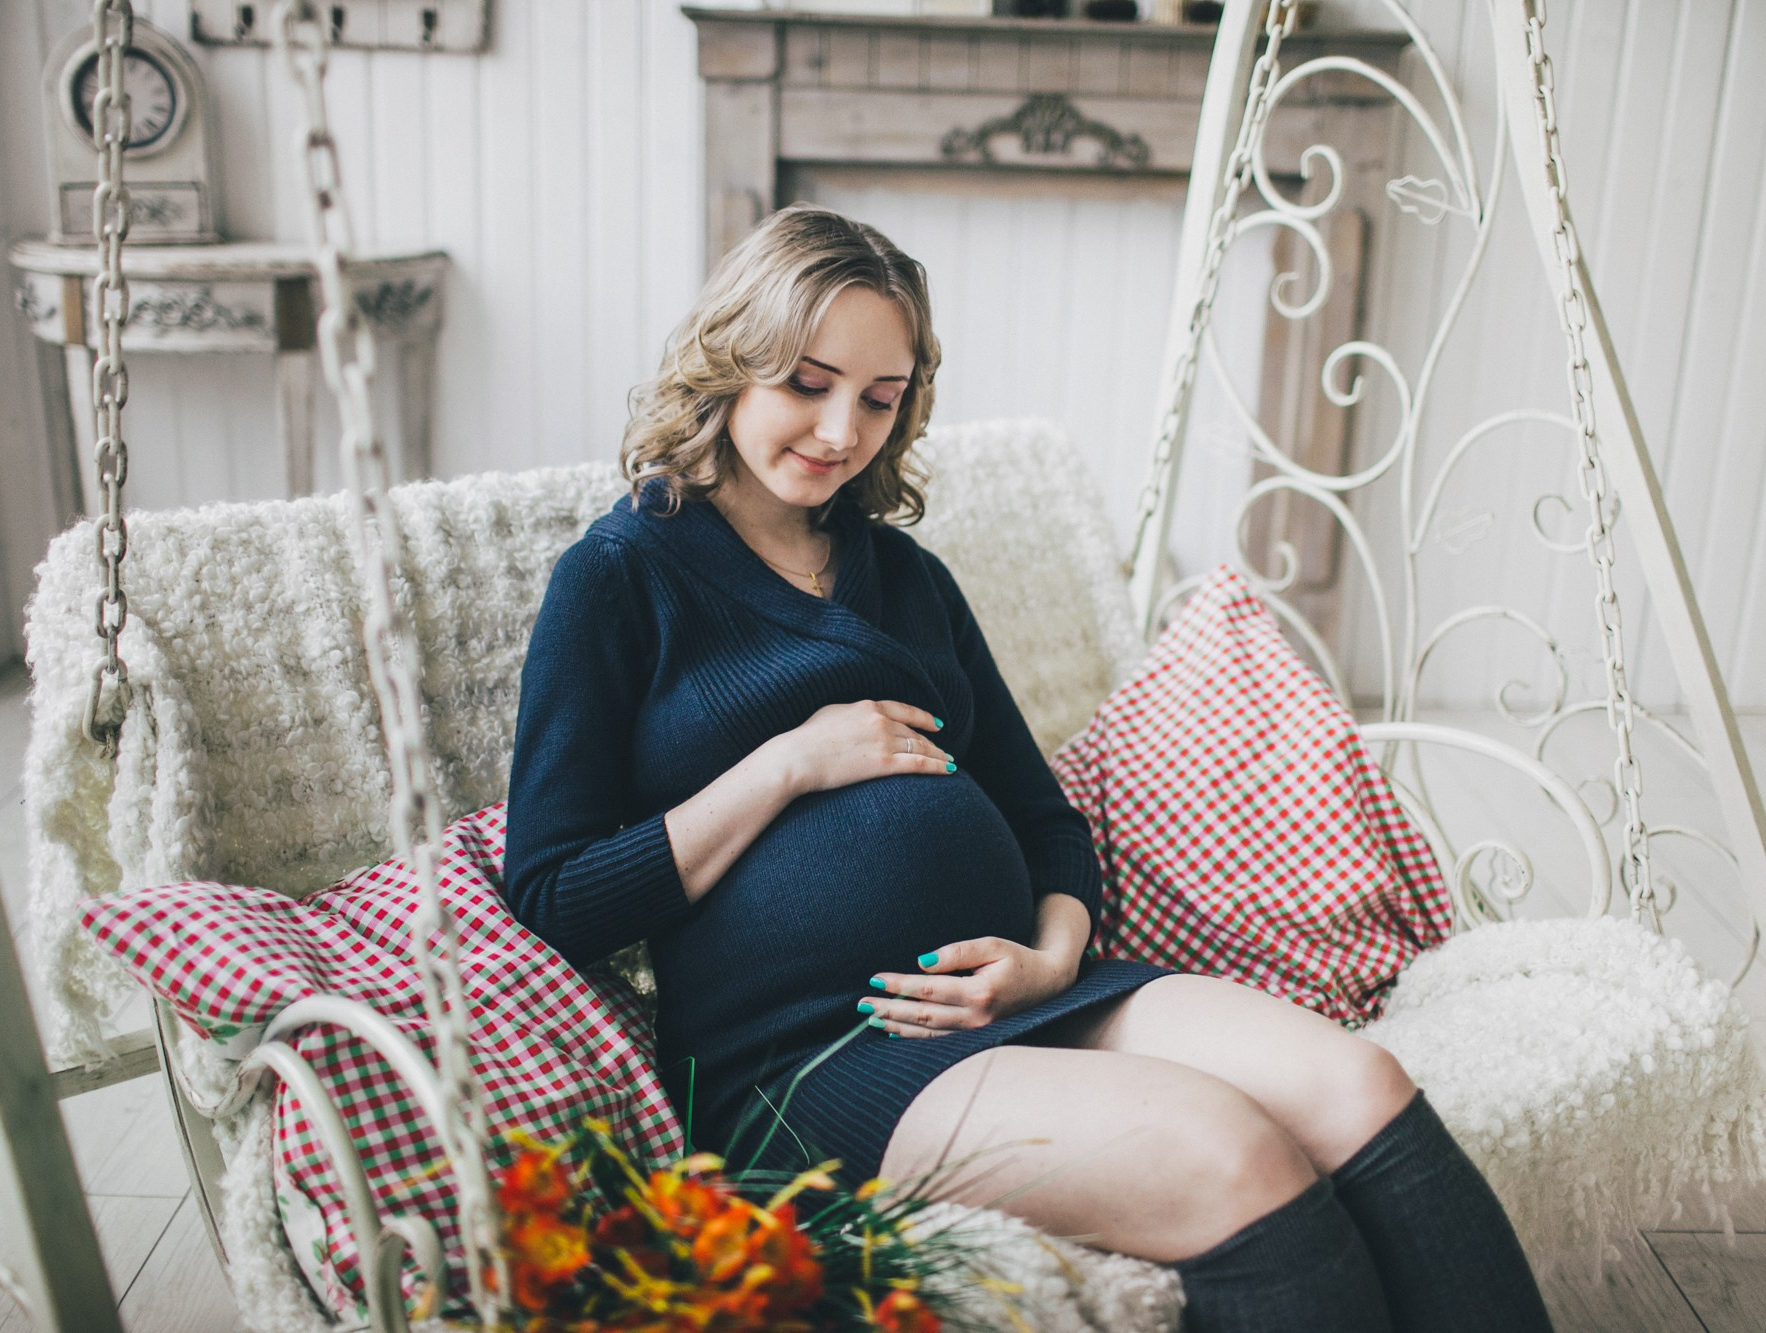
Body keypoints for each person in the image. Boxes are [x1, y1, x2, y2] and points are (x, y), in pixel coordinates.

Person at [503, 203, 1552, 1333]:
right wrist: (789, 764)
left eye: (878, 397)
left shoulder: (905, 578)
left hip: (1035, 993)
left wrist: (1051, 958)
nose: (838, 428)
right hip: (821, 1053)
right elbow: (554, 889)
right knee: (1233, 1156)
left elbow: (1044, 819)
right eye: (807, 383)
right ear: (730, 364)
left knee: (1362, 1090)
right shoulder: (618, 577)